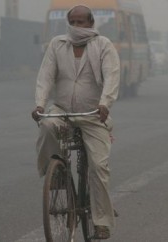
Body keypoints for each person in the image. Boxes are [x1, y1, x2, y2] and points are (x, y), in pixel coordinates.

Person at [31, 4, 120, 240]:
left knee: (98, 168)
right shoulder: (57, 45)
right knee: (47, 126)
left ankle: (102, 222)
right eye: (74, 22)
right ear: (68, 23)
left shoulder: (103, 45)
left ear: (91, 23)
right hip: (62, 110)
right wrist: (40, 104)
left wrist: (105, 104)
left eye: (82, 22)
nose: (78, 26)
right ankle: (57, 176)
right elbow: (45, 76)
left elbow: (112, 76)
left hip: (93, 114)